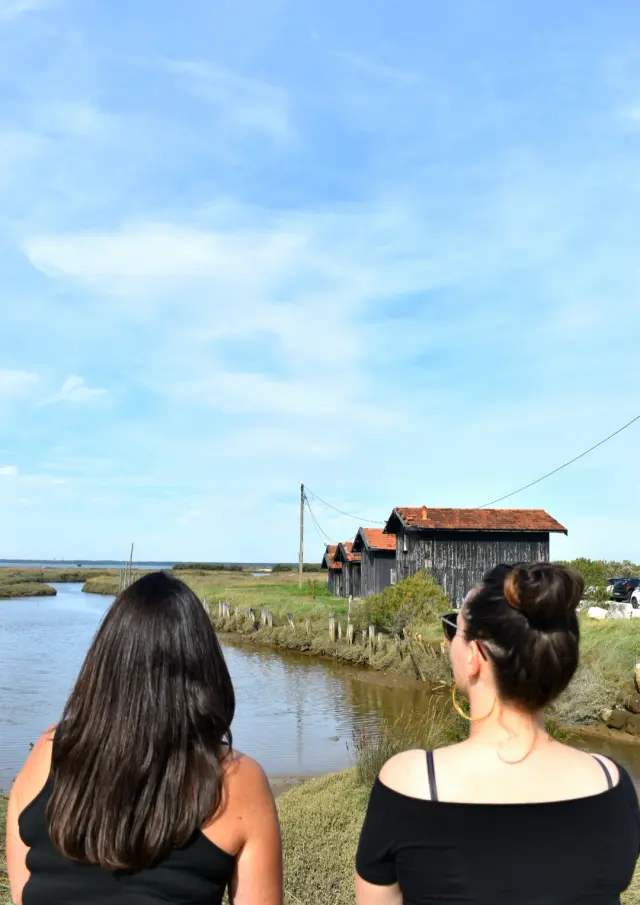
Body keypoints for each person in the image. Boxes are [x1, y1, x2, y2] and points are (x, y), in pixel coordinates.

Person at [355, 562, 640, 905]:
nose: (448, 642)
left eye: (453, 629)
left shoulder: (408, 784)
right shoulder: (612, 784)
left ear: (475, 656)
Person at [7, 571, 283, 905]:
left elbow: (23, 893)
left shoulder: (44, 756)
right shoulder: (238, 781)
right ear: (204, 670)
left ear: (104, 664)